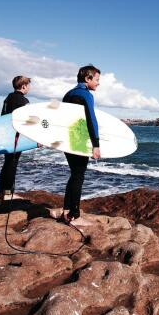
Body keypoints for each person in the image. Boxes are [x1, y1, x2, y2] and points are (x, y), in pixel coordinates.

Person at [60, 65, 101, 224]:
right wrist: (95, 144)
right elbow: (91, 119)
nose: (98, 83)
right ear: (87, 79)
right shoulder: (86, 95)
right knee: (79, 176)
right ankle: (74, 214)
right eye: (97, 80)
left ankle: (66, 210)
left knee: (74, 174)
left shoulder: (68, 94)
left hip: (68, 141)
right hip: (79, 141)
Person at [0, 75, 31, 200]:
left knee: (7, 163)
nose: (29, 88)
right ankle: (7, 194)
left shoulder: (7, 98)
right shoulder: (23, 101)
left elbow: (2, 117)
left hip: (6, 135)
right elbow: (27, 122)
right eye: (28, 86)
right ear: (23, 86)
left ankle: (2, 192)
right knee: (12, 163)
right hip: (16, 136)